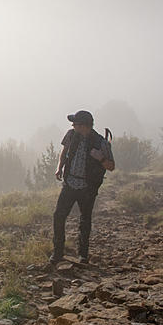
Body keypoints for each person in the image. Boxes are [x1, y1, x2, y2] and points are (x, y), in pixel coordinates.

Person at [51, 110, 115, 264]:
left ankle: (83, 255)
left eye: (76, 124)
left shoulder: (101, 143)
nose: (73, 126)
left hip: (87, 187)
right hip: (69, 183)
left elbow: (111, 166)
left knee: (85, 220)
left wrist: (101, 158)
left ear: (85, 126)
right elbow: (64, 151)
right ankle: (58, 253)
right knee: (58, 216)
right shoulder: (71, 135)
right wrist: (59, 168)